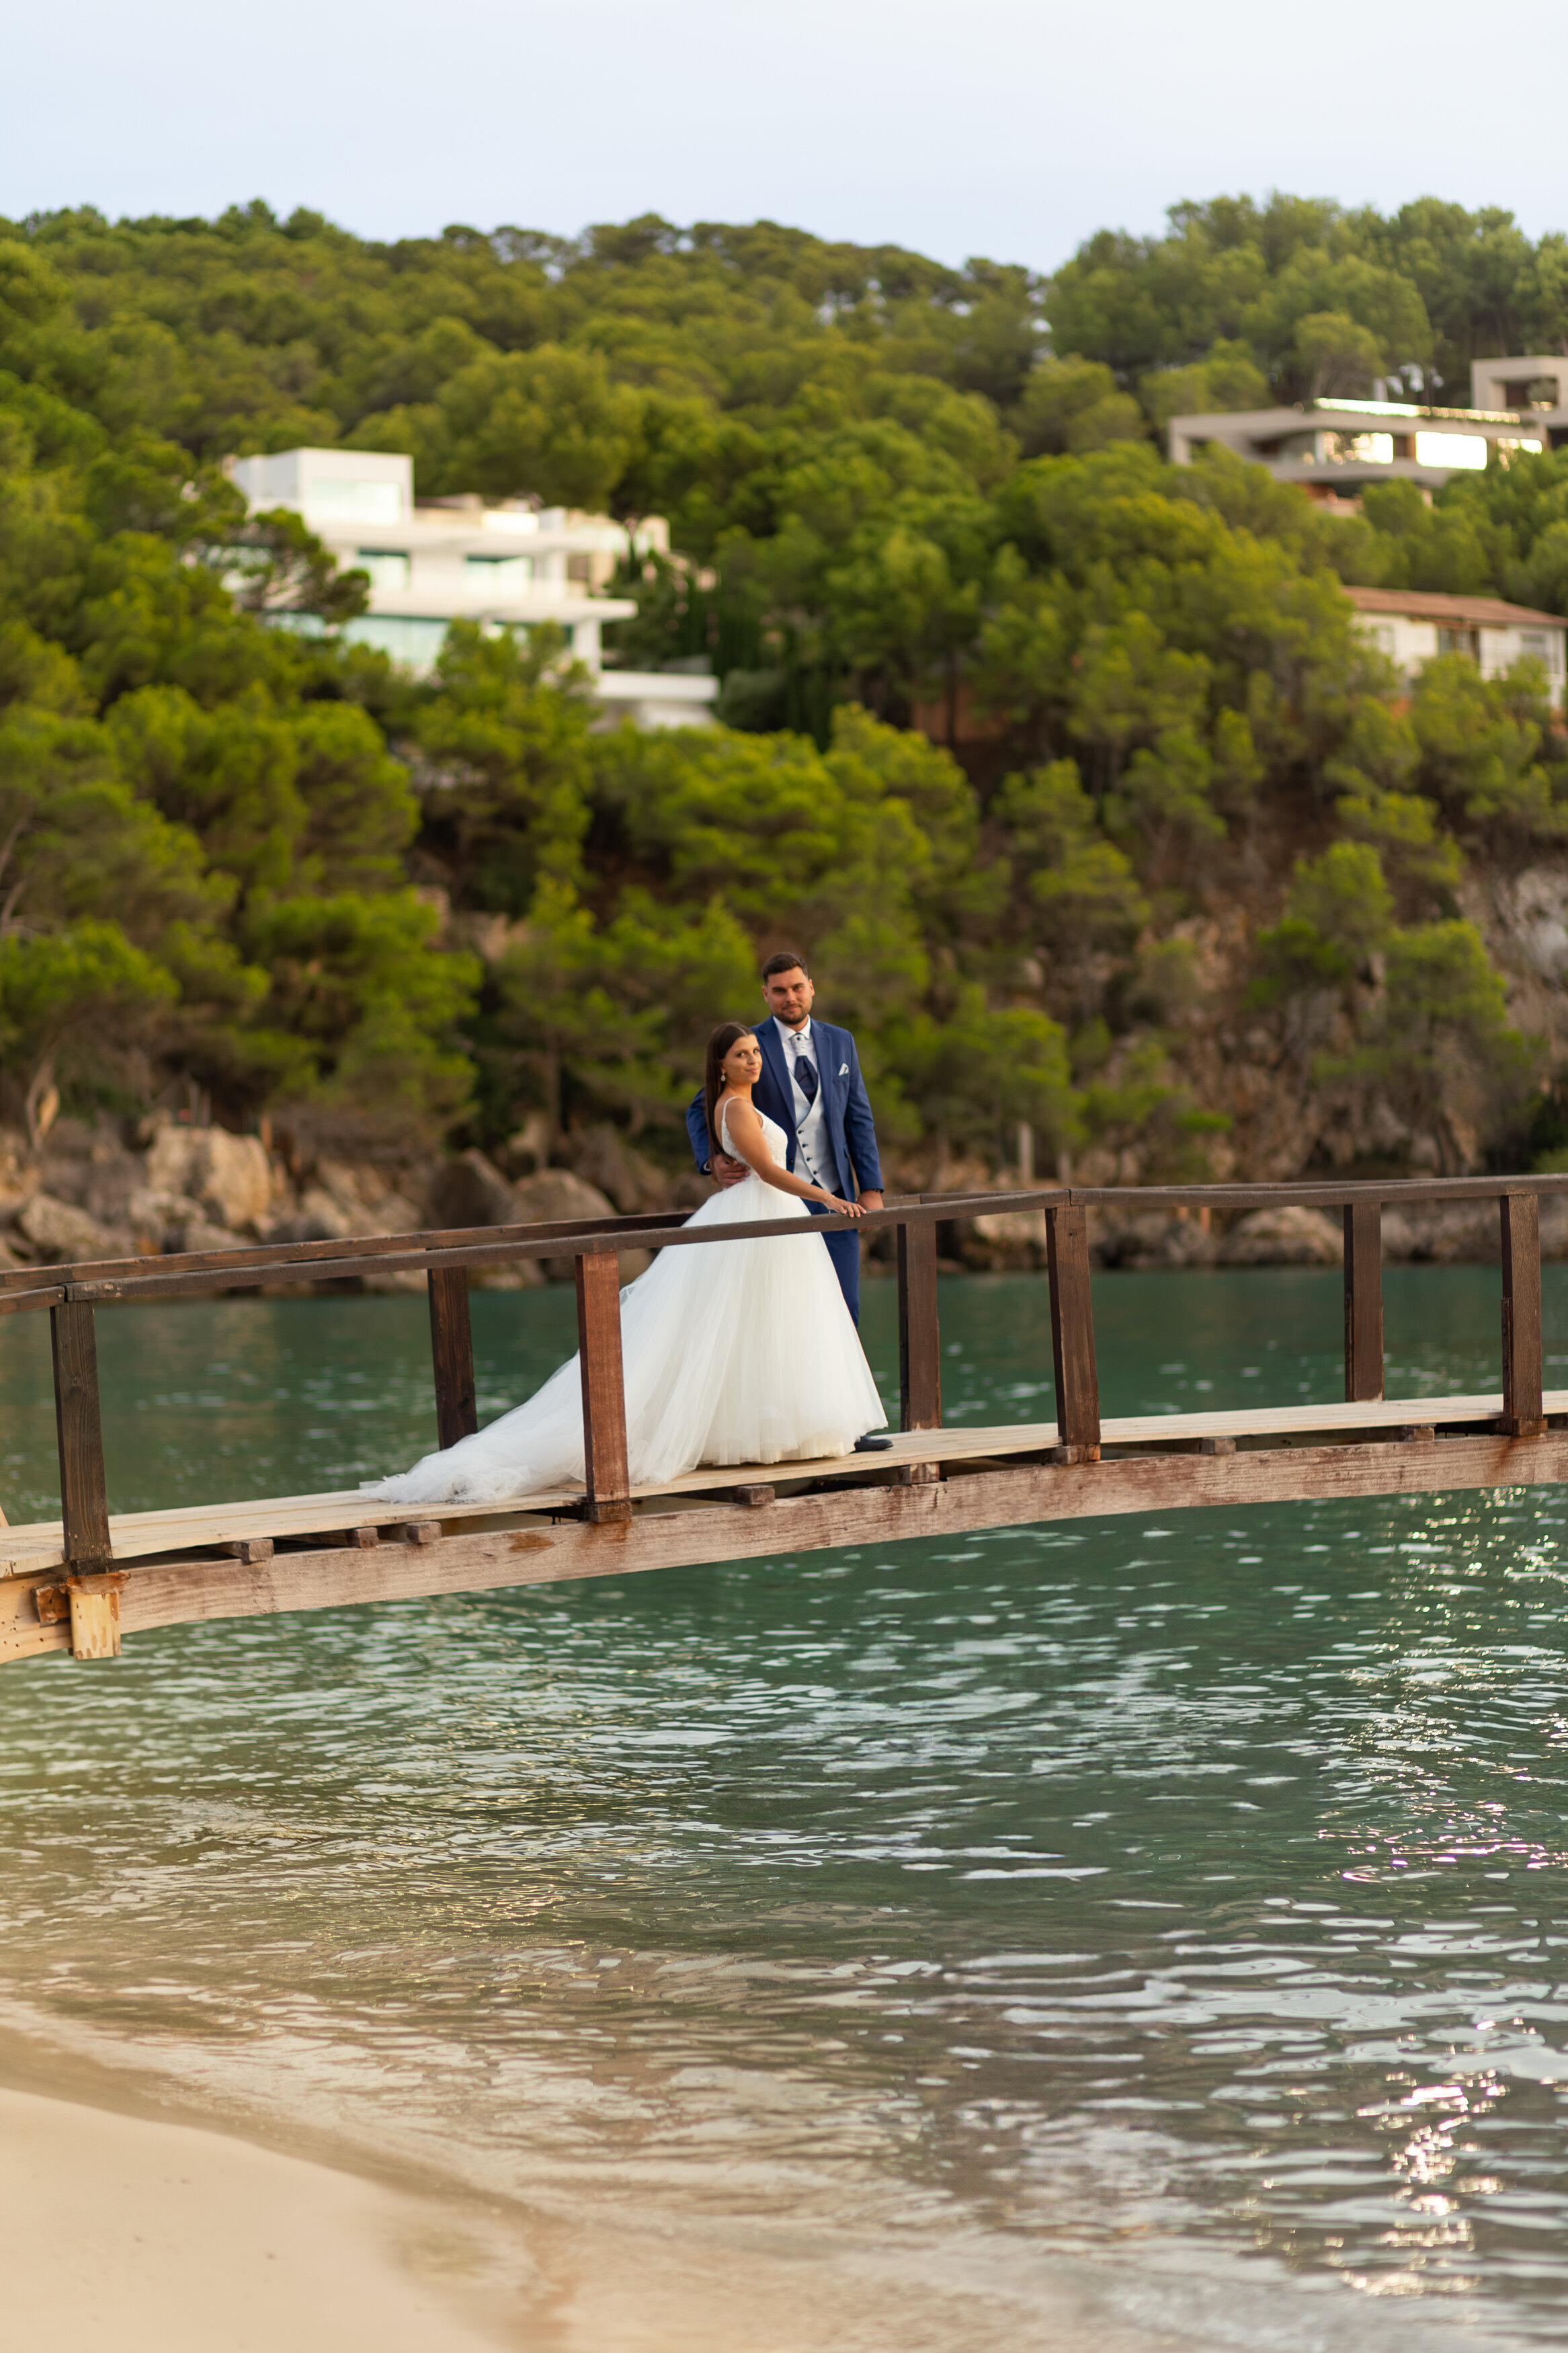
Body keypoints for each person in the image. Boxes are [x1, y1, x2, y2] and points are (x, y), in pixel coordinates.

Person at [367, 1022, 887, 1507]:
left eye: (754, 1053)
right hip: (756, 1214)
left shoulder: (752, 1095)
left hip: (772, 1221)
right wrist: (831, 1199)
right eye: (742, 1056)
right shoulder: (732, 1107)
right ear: (722, 1065)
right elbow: (769, 1170)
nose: (753, 1061)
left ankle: (776, 1428)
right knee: (723, 1324)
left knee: (765, 1325)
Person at [685, 952, 882, 1324]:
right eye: (779, 991)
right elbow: (700, 1107)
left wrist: (871, 1188)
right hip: (773, 1203)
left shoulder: (842, 1042)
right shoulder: (748, 1045)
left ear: (811, 988)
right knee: (786, 1317)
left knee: (844, 1310)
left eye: (796, 988)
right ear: (766, 995)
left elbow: (859, 1119)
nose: (789, 997)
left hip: (836, 1198)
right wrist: (712, 1158)